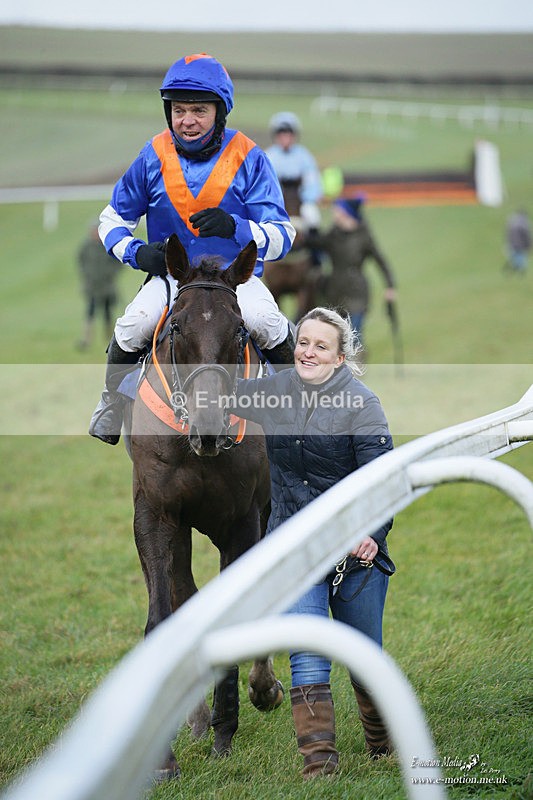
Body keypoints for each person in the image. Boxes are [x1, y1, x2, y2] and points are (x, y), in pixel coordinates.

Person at [89, 53, 296, 445]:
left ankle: (304, 407)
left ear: (220, 112)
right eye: (179, 110)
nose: (187, 120)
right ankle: (111, 404)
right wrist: (137, 253)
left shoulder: (250, 156)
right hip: (173, 279)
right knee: (131, 327)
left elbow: (283, 234)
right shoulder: (152, 155)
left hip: (236, 279)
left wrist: (237, 227)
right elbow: (110, 221)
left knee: (269, 323)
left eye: (199, 110)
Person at [232, 307, 394, 778]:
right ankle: (319, 766)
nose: (308, 352)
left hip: (354, 552)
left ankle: (382, 744)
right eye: (303, 342)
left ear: (340, 357)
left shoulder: (363, 405)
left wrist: (372, 534)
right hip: (294, 546)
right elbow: (217, 393)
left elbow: (383, 480)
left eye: (321, 346)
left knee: (365, 659)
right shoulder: (275, 392)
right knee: (307, 655)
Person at [309, 196, 397, 354]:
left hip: (357, 292)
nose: (334, 213)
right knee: (336, 335)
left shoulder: (363, 236)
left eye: (337, 210)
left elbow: (381, 261)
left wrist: (390, 286)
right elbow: (316, 242)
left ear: (346, 214)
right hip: (335, 291)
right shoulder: (333, 234)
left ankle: (356, 367)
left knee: (354, 333)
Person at [266, 112, 323, 262]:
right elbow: (264, 184)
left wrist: (307, 198)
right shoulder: (269, 156)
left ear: (294, 136)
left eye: (288, 134)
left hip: (300, 201)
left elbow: (313, 182)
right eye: (281, 134)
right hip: (277, 203)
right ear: (276, 136)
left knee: (313, 216)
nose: (285, 138)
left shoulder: (304, 156)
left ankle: (316, 259)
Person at [76, 220, 122, 350]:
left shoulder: (107, 245)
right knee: (90, 311)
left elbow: (118, 262)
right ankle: (86, 339)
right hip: (92, 286)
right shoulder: (86, 247)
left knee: (107, 312)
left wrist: (110, 274)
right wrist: (87, 276)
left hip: (107, 286)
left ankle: (110, 340)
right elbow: (81, 261)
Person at [503, 209, 531, 274]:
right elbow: (526, 236)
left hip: (512, 244)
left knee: (515, 258)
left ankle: (513, 270)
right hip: (520, 245)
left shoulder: (512, 222)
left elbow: (507, 234)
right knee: (520, 258)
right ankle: (520, 271)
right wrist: (529, 245)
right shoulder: (524, 224)